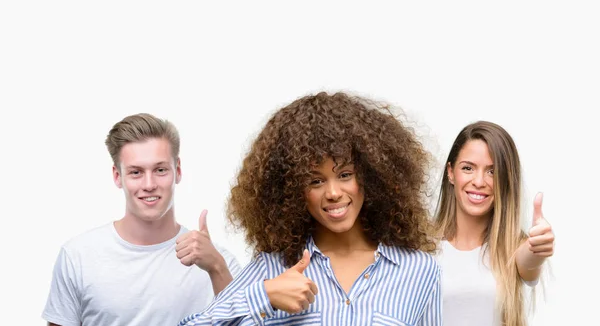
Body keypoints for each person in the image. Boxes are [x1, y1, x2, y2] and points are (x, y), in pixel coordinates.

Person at [178, 91, 442, 326]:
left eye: (345, 174)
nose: (334, 193)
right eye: (315, 181)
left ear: (372, 176)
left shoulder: (419, 270)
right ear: (292, 191)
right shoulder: (273, 268)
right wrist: (266, 295)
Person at [42, 113, 241, 326]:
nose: (149, 184)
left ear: (178, 170)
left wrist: (217, 268)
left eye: (160, 170)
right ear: (118, 176)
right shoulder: (77, 256)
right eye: (136, 172)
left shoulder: (221, 263)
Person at [433, 121, 555, 326]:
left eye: (492, 171)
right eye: (468, 168)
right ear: (451, 172)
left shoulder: (513, 248)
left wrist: (537, 248)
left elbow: (528, 260)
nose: (479, 181)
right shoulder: (421, 248)